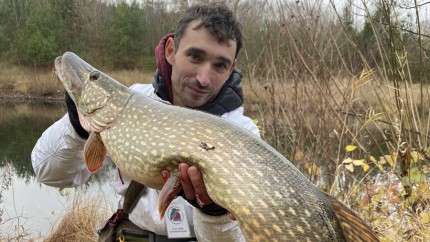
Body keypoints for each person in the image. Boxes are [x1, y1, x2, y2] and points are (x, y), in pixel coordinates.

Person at [32, 2, 260, 242]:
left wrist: (214, 213)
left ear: (232, 68)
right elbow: (48, 173)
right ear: (171, 50)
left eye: (220, 65)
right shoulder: (129, 103)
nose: (204, 78)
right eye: (195, 56)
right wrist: (77, 129)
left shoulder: (243, 134)